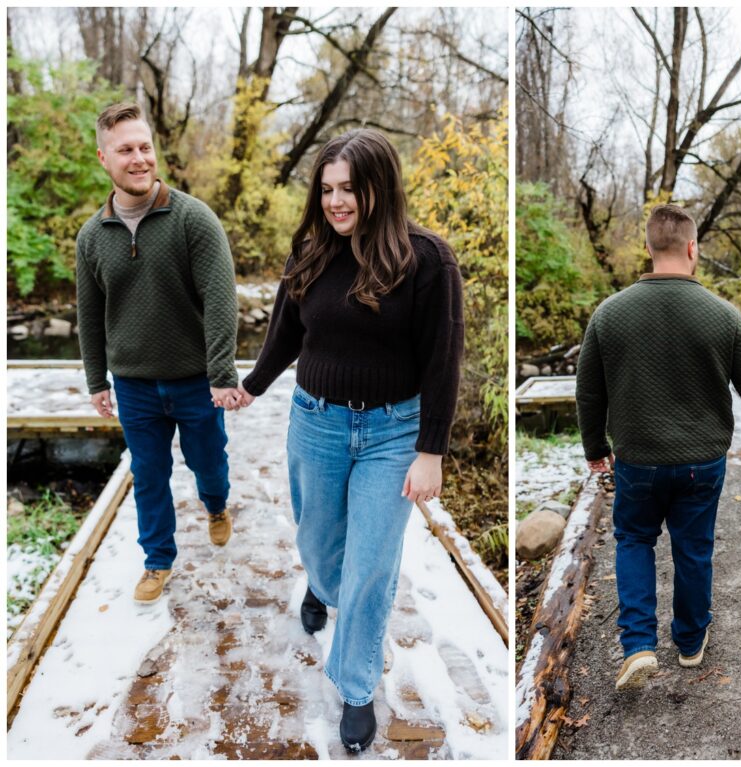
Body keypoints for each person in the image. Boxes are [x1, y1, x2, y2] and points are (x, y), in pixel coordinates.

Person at [235, 129, 464, 751]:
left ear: (380, 188)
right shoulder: (310, 251)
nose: (336, 202)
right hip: (316, 421)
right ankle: (319, 582)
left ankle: (357, 686)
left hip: (393, 432)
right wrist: (251, 386)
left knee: (371, 566)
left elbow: (443, 362)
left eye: (350, 190)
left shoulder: (427, 261)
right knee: (318, 541)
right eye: (327, 189)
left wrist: (431, 451)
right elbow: (286, 332)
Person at [575, 204, 741, 691]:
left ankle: (638, 645)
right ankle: (691, 642)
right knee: (693, 548)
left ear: (648, 248)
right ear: (693, 247)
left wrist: (595, 447)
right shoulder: (724, 315)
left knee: (634, 540)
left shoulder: (609, 313)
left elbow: (589, 391)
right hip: (702, 461)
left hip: (638, 459)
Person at [76, 102, 241, 606]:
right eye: (125, 150)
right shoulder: (91, 237)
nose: (139, 159)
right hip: (134, 385)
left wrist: (221, 373)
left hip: (196, 381)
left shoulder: (193, 219)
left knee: (209, 463)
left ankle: (216, 505)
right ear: (104, 158)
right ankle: (158, 560)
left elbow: (220, 298)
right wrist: (97, 381)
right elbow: (89, 314)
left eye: (145, 147)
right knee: (148, 476)